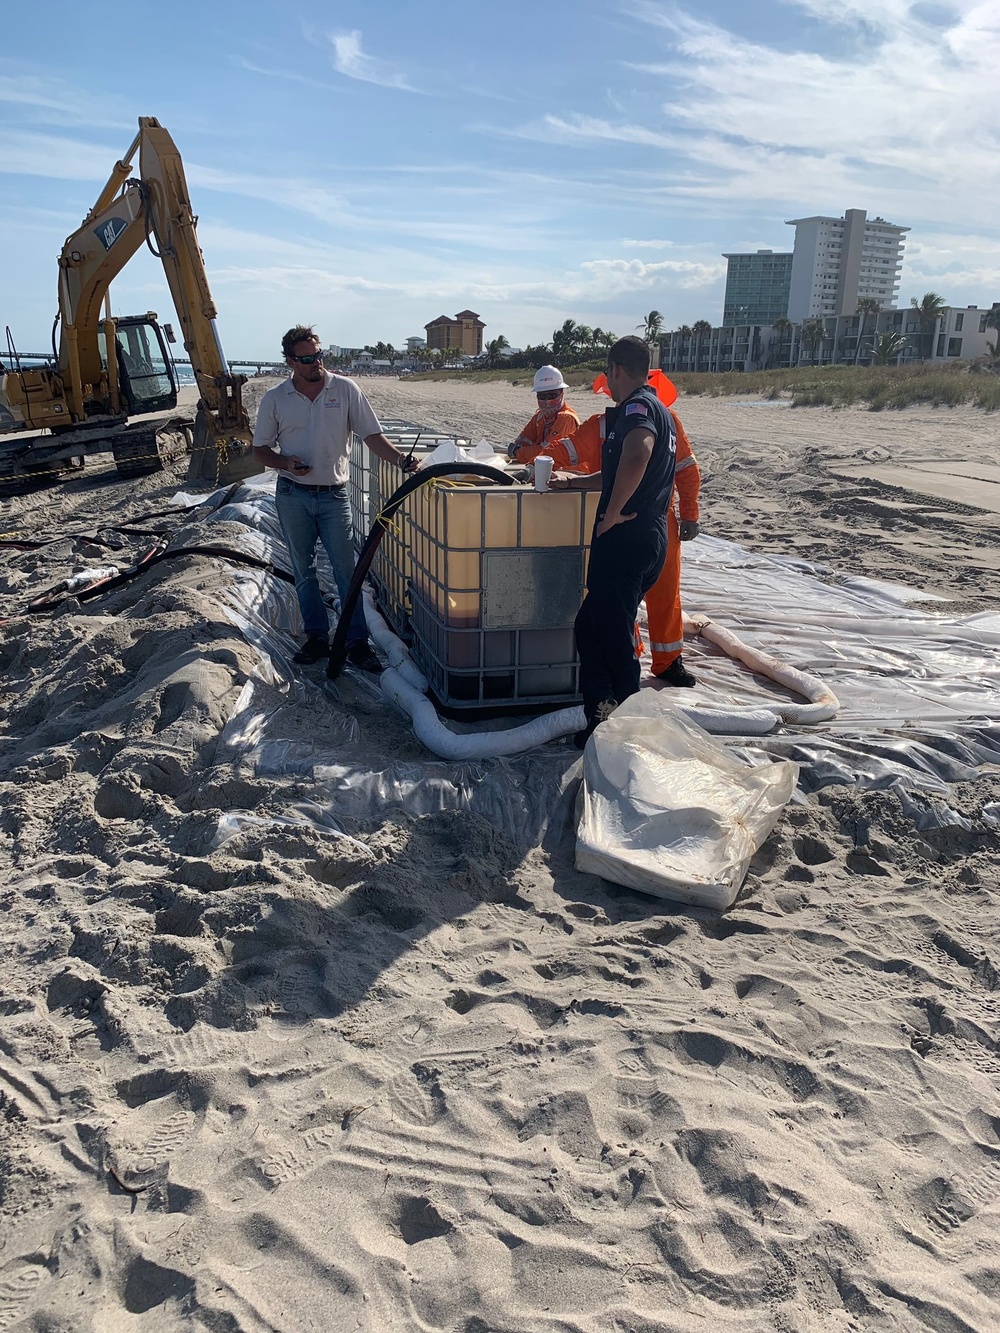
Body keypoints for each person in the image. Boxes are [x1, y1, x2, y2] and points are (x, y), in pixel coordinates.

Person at [252, 325, 416, 668]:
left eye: (319, 355)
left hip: (333, 496)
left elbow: (372, 435)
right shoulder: (275, 399)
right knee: (304, 569)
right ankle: (317, 638)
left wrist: (401, 459)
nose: (317, 363)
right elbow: (261, 450)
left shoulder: (344, 389)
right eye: (308, 358)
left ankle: (357, 643)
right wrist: (285, 463)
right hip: (292, 495)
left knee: (347, 570)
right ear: (290, 362)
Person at [546, 381, 702, 687]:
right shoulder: (603, 424)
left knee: (664, 595)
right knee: (621, 603)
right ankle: (630, 655)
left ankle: (666, 661)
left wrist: (690, 514)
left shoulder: (659, 420)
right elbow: (563, 451)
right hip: (640, 523)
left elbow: (684, 468)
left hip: (645, 519)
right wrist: (534, 461)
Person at [569, 336, 676, 748]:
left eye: (607, 376)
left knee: (612, 635)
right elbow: (620, 468)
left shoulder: (638, 408)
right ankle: (603, 717)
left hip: (628, 536)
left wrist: (612, 512)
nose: (607, 385)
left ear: (615, 369)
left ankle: (626, 731)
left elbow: (637, 454)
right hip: (647, 537)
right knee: (592, 625)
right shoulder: (659, 409)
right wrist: (575, 482)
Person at [507, 366, 580, 464]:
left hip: (568, 472)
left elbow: (546, 454)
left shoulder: (566, 418)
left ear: (562, 393)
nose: (547, 401)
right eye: (542, 396)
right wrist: (519, 449)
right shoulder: (540, 417)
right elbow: (522, 440)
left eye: (552, 395)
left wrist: (518, 452)